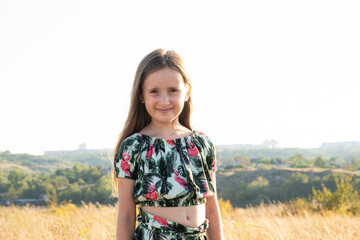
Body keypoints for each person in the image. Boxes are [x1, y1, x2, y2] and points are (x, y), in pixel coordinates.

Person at [113, 49, 224, 240]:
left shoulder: (202, 144)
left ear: (187, 91)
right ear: (142, 95)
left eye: (173, 90)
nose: (164, 101)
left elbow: (212, 210)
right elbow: (126, 217)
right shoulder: (133, 147)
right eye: (154, 92)